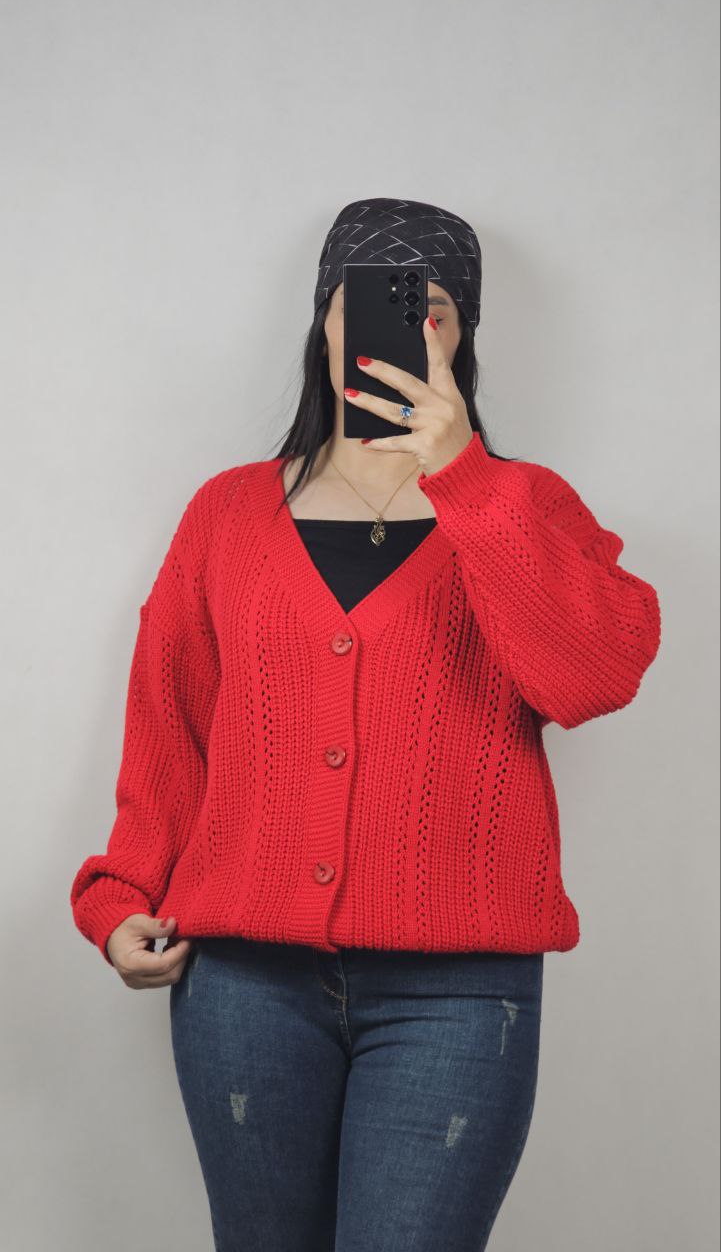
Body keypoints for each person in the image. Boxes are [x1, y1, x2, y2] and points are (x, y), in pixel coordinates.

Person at [70, 197, 662, 1251]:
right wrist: (121, 894)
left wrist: (464, 479)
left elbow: (593, 676)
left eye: (433, 308)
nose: (406, 326)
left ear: (461, 337)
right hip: (242, 983)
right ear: (326, 323)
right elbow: (171, 725)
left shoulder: (524, 504)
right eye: (375, 302)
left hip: (459, 991)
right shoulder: (227, 512)